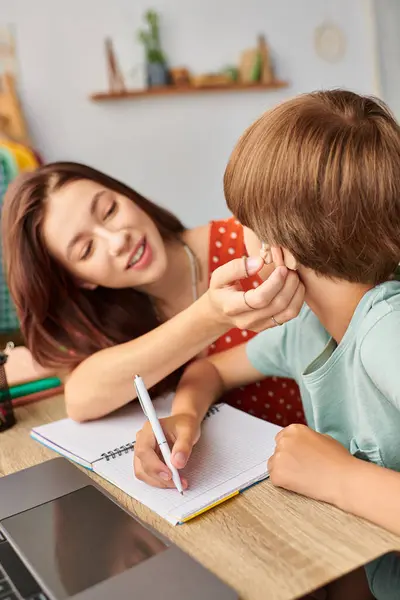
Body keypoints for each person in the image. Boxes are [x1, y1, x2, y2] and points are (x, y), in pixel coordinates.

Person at [133, 89, 400, 600]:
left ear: (281, 251)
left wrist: (340, 478)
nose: (237, 237)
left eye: (243, 226)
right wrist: (184, 420)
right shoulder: (306, 327)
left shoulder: (386, 332)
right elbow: (209, 371)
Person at [1, 162, 304, 422]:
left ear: (129, 197)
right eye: (87, 249)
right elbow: (80, 400)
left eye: (109, 210)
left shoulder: (248, 242)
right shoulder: (116, 320)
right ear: (80, 281)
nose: (117, 240)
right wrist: (210, 317)